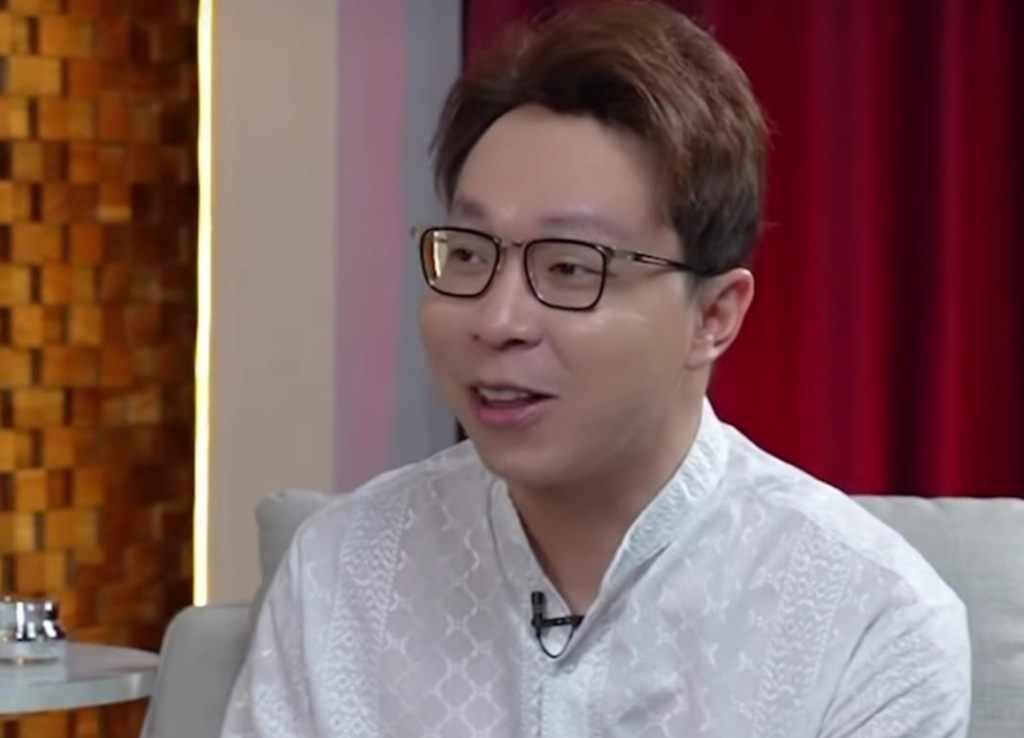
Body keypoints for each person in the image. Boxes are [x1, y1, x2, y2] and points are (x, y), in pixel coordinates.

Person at [220, 2, 970, 736]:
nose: (497, 320)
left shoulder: (871, 623)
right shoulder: (344, 571)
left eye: (571, 267)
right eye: (470, 254)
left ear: (714, 316)